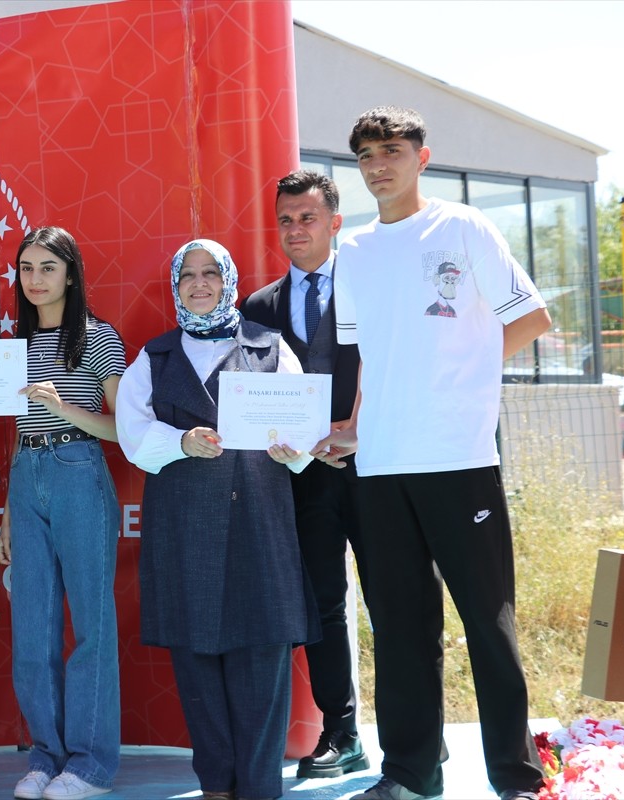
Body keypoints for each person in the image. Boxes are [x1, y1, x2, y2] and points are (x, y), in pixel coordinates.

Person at [313, 106, 551, 800]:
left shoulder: (464, 227)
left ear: (422, 155)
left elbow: (531, 317)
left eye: (390, 150)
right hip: (381, 467)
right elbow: (364, 356)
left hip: (459, 458)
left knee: (488, 623)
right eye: (364, 156)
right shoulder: (352, 252)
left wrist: (466, 375)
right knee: (400, 630)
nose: (377, 165)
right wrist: (355, 426)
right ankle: (411, 774)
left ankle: (516, 778)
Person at [116, 239, 320, 800]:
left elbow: (302, 431)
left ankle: (259, 789)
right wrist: (180, 440)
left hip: (260, 528)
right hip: (185, 533)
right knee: (197, 660)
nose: (200, 284)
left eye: (211, 273)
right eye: (188, 276)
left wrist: (292, 449)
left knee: (262, 659)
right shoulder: (152, 359)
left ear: (228, 282)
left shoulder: (272, 349)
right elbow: (133, 437)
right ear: (176, 288)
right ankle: (217, 788)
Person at [241, 171, 369, 780]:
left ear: (335, 222)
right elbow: (251, 397)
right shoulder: (258, 308)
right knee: (322, 605)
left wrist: (357, 431)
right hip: (302, 479)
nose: (296, 229)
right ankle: (340, 735)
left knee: (400, 602)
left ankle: (413, 735)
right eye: (286, 219)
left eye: (308, 218)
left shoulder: (371, 287)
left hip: (377, 467)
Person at [0, 227, 124, 800]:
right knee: (33, 628)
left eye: (48, 267)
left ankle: (90, 765)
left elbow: (120, 429)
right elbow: (20, 436)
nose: (36, 279)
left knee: (91, 627)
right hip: (28, 479)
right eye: (26, 268)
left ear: (71, 273)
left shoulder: (98, 338)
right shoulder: (13, 347)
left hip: (79, 470)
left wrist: (60, 405)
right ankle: (44, 757)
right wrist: (6, 516)